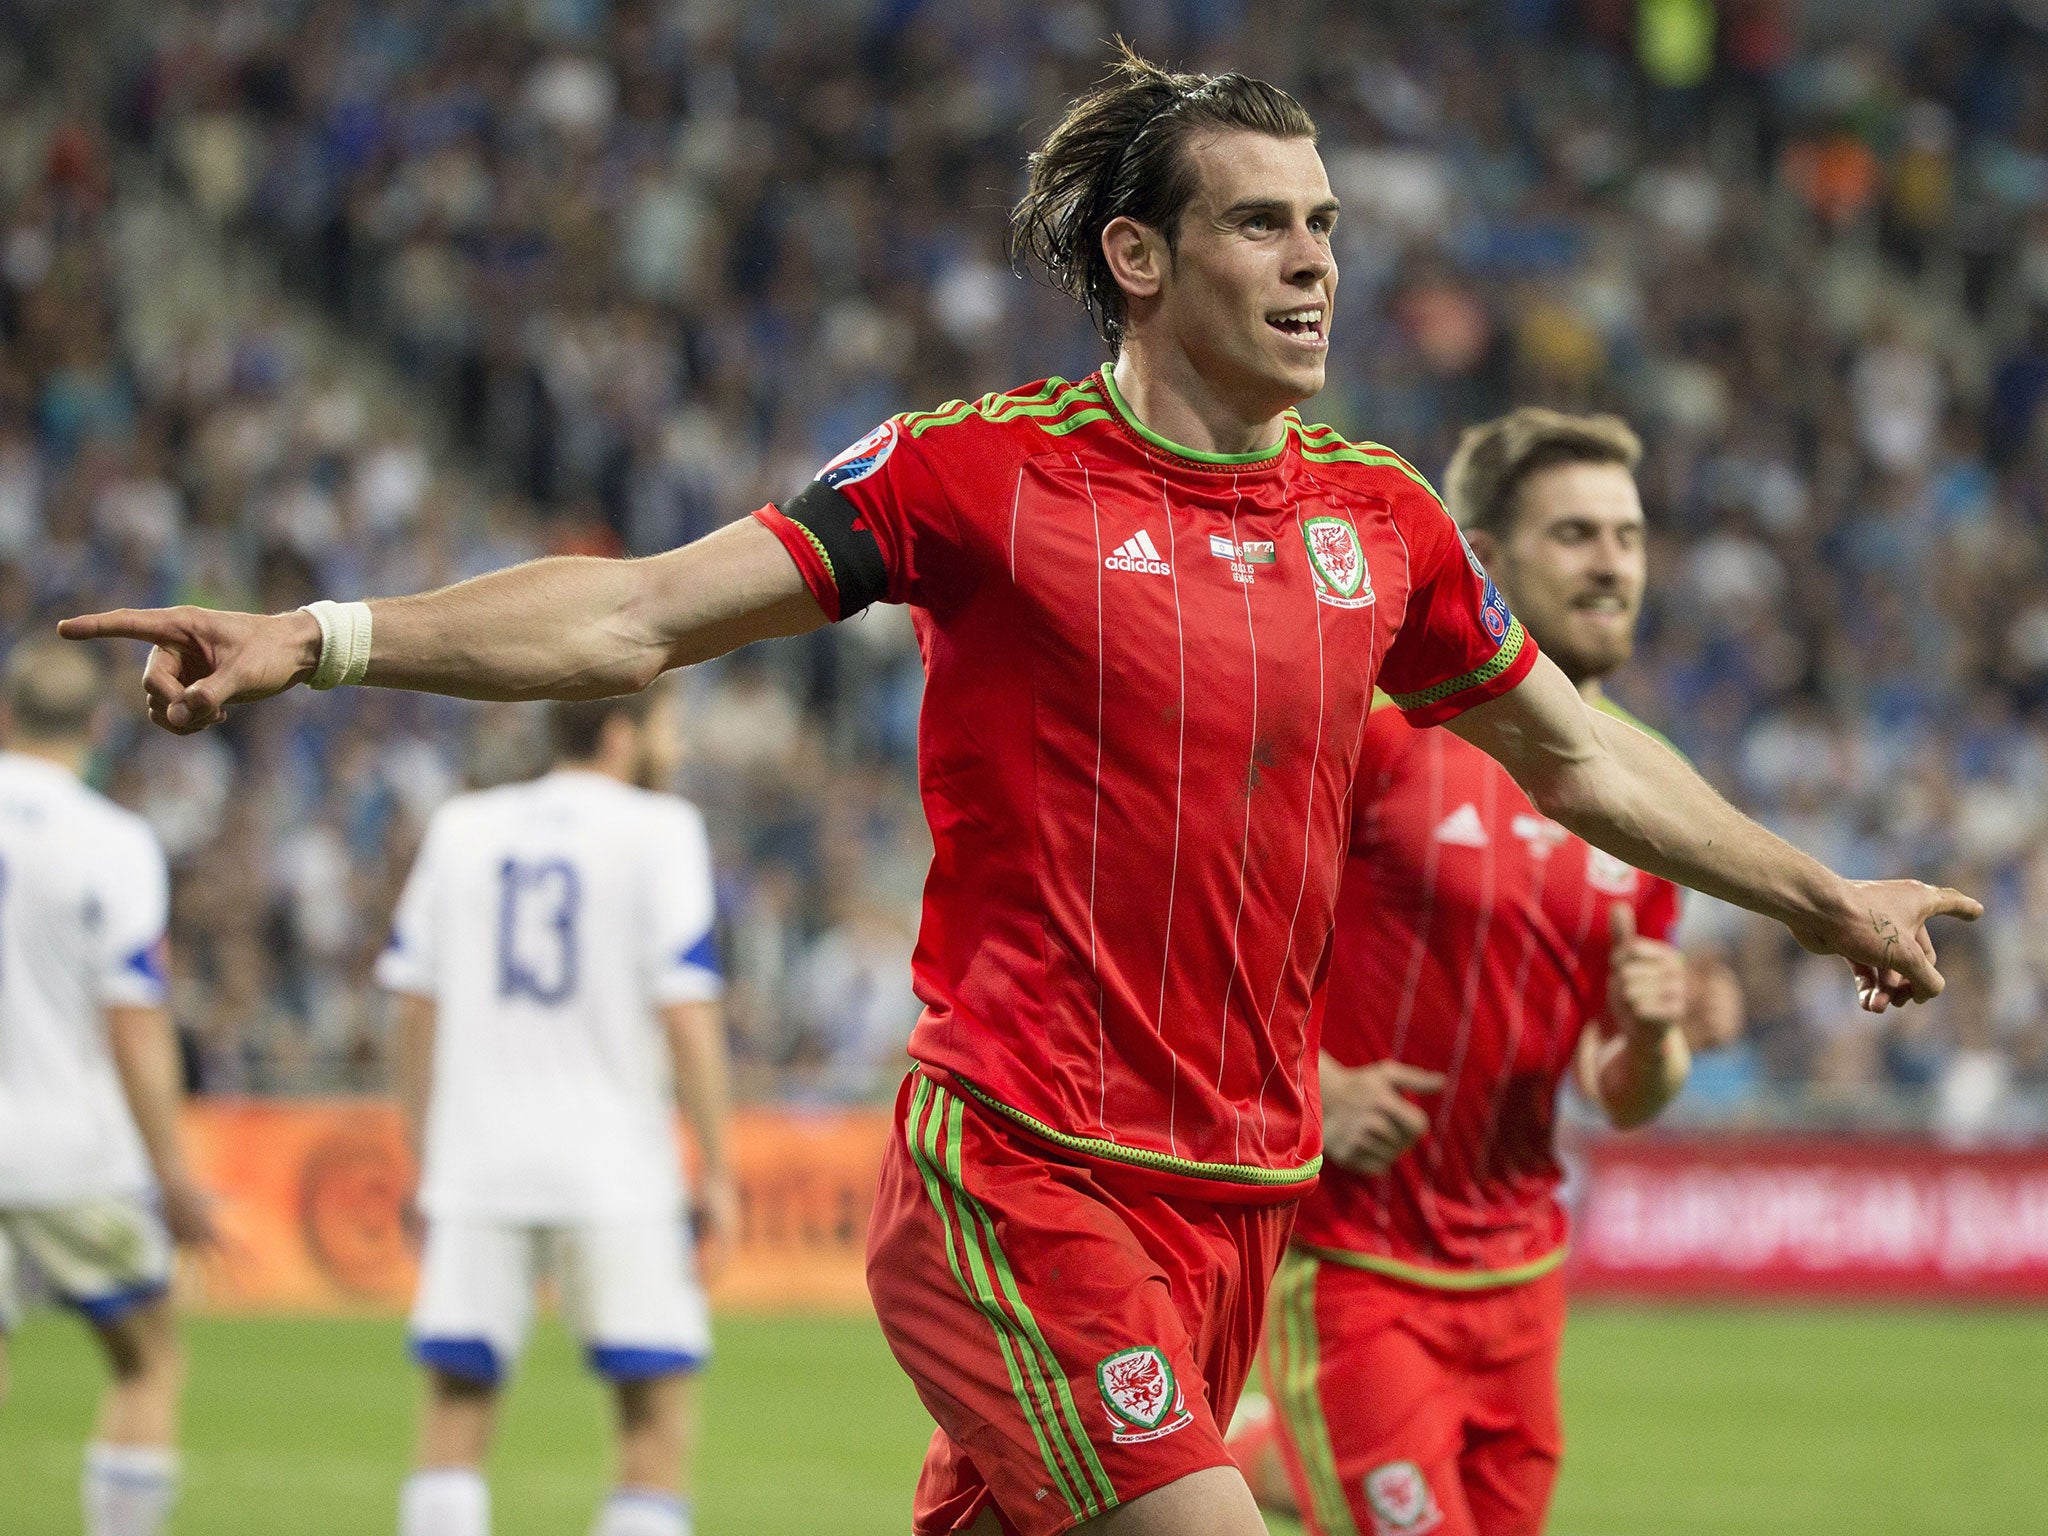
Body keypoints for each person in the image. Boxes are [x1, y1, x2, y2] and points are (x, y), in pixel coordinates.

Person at [62, 49, 1975, 1536]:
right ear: (1137, 259)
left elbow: (1575, 751)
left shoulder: (1377, 523)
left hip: (1239, 1199)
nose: (1312, 260)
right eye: (1258, 225)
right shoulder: (977, 475)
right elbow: (637, 617)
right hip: (1021, 1170)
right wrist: (320, 632)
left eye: (1323, 224)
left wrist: (1821, 900)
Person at [1224, 407, 1751, 1536]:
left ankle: (1245, 1458)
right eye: (1574, 535)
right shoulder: (1374, 730)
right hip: (1353, 1261)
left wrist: (1655, 1037)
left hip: (1519, 1286)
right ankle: (1228, 1460)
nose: (1611, 561)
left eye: (1626, 536)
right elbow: (1205, 941)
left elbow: (1621, 1093)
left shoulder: (1652, 791)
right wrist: (1311, 1084)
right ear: (1488, 561)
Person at [378, 687, 733, 1536]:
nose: (675, 749)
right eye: (667, 727)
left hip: (477, 1167)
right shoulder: (662, 830)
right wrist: (718, 1167)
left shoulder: (462, 826)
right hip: (616, 1170)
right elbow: (687, 1012)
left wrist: (429, 1157)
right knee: (654, 1418)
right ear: (621, 732)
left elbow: (412, 1008)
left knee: (455, 1414)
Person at [0, 638, 217, 1536]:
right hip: (72, 1151)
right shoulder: (117, 844)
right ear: (96, 726)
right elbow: (135, 1021)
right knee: (148, 1362)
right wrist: (171, 1171)